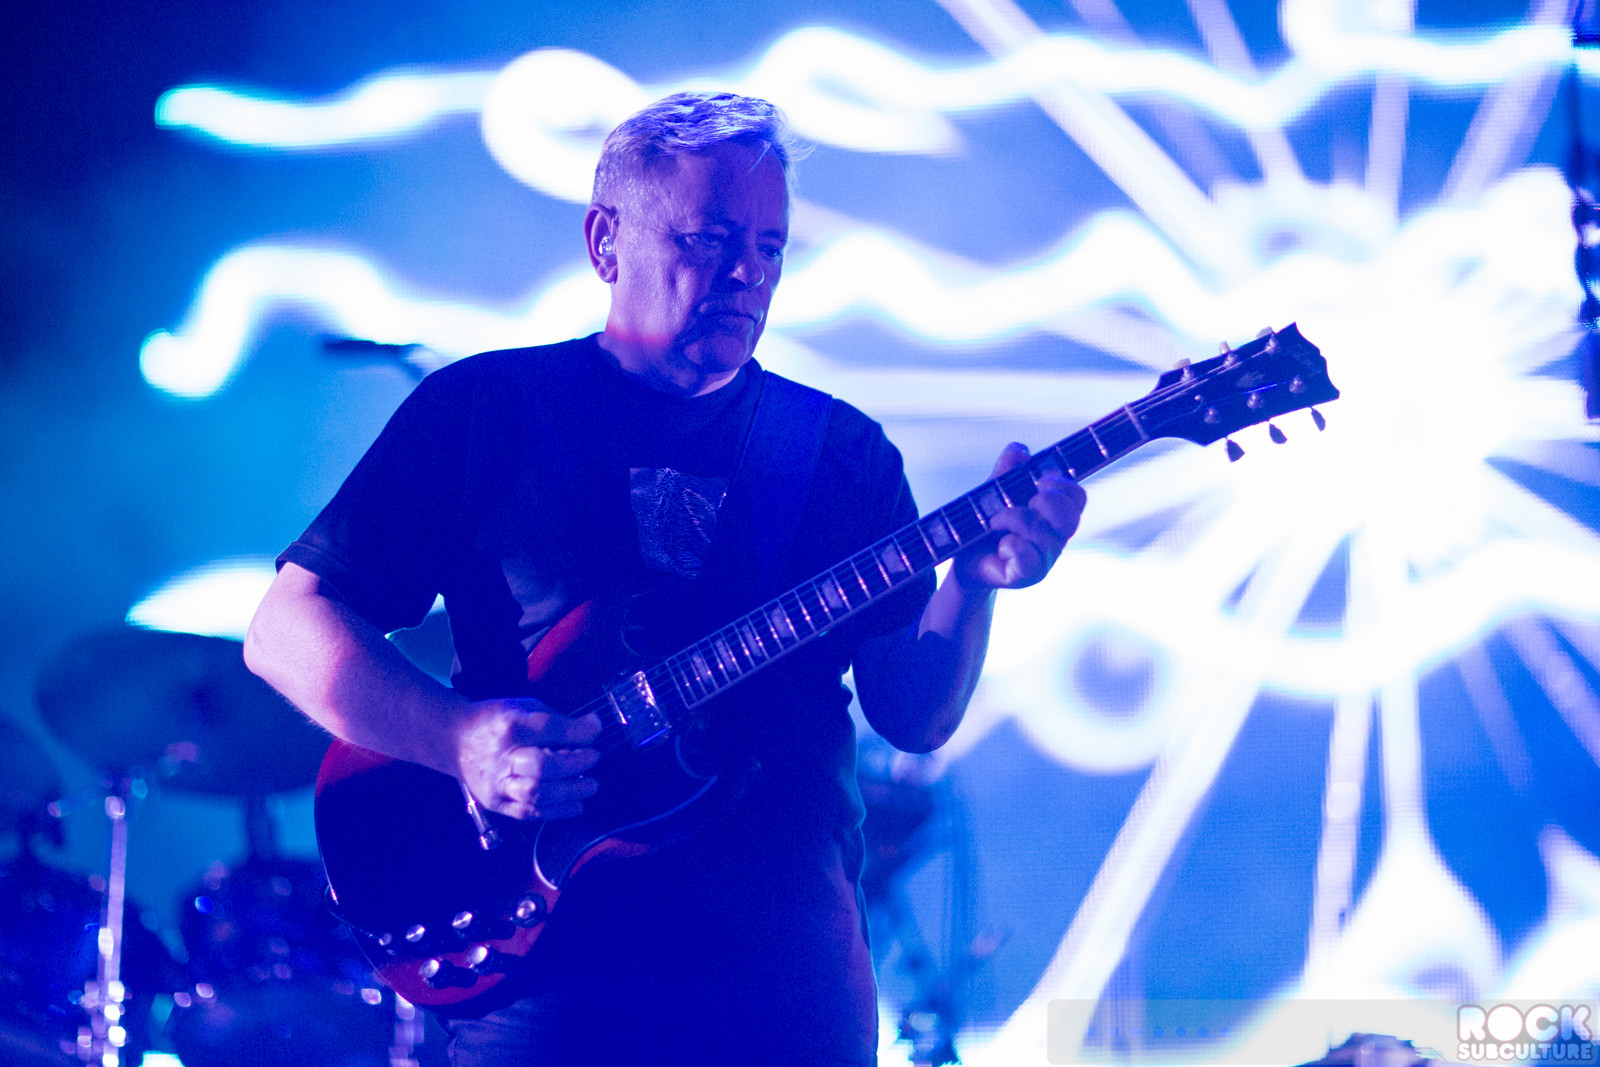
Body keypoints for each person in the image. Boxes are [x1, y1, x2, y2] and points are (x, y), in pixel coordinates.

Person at [244, 91, 1085, 1066]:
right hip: (549, 965)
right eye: (710, 239)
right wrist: (458, 740)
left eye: (769, 247)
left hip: (787, 968)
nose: (748, 273)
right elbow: (284, 628)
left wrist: (973, 582)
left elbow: (915, 713)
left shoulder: (839, 451)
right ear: (606, 240)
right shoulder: (485, 410)